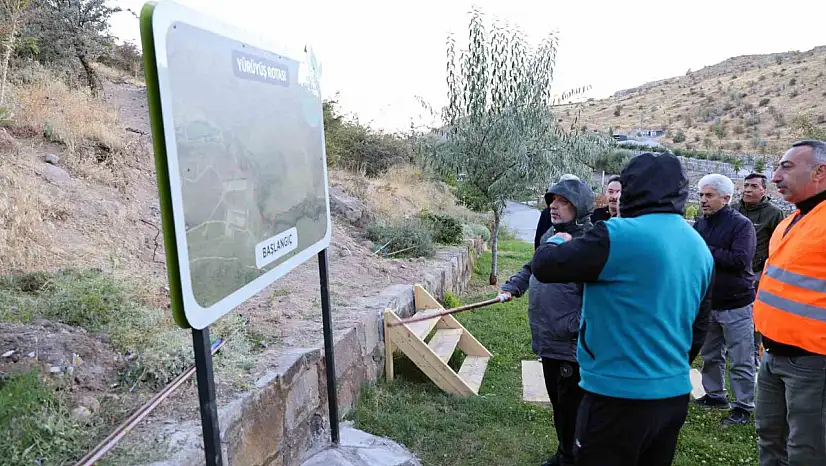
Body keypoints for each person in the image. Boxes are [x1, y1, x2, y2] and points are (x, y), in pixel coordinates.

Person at [531, 152, 714, 466]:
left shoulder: (616, 235)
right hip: (672, 395)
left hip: (615, 396)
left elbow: (544, 266)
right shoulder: (697, 244)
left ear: (630, 190)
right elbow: (700, 324)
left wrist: (557, 241)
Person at [499, 177, 594, 466]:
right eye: (553, 199)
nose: (554, 205)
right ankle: (566, 453)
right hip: (549, 338)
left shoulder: (589, 243)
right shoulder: (552, 235)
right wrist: (514, 285)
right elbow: (534, 264)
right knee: (559, 403)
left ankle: (574, 457)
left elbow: (599, 298)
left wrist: (573, 325)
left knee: (572, 407)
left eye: (563, 201)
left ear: (580, 206)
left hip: (571, 343)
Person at [754, 139, 826, 465]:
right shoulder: (789, 221)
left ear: (820, 172)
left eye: (787, 166)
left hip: (812, 363)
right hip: (771, 354)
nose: (776, 176)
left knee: (806, 449)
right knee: (769, 437)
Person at [692, 174, 757, 425]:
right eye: (701, 195)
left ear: (726, 198)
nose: (703, 200)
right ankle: (714, 394)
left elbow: (740, 260)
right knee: (710, 354)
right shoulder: (701, 223)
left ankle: (743, 405)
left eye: (709, 195)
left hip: (736, 303)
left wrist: (706, 250)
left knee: (741, 358)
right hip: (709, 302)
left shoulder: (741, 225)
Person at [732, 172, 786, 368]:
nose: (747, 189)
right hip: (732, 271)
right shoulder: (734, 209)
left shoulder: (774, 213)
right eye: (746, 185)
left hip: (757, 273)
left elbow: (779, 244)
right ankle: (731, 350)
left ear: (764, 190)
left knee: (755, 315)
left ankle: (754, 352)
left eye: (754, 186)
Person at [535, 174, 582, 249]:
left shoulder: (586, 233)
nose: (553, 206)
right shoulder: (547, 213)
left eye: (563, 201)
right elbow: (539, 241)